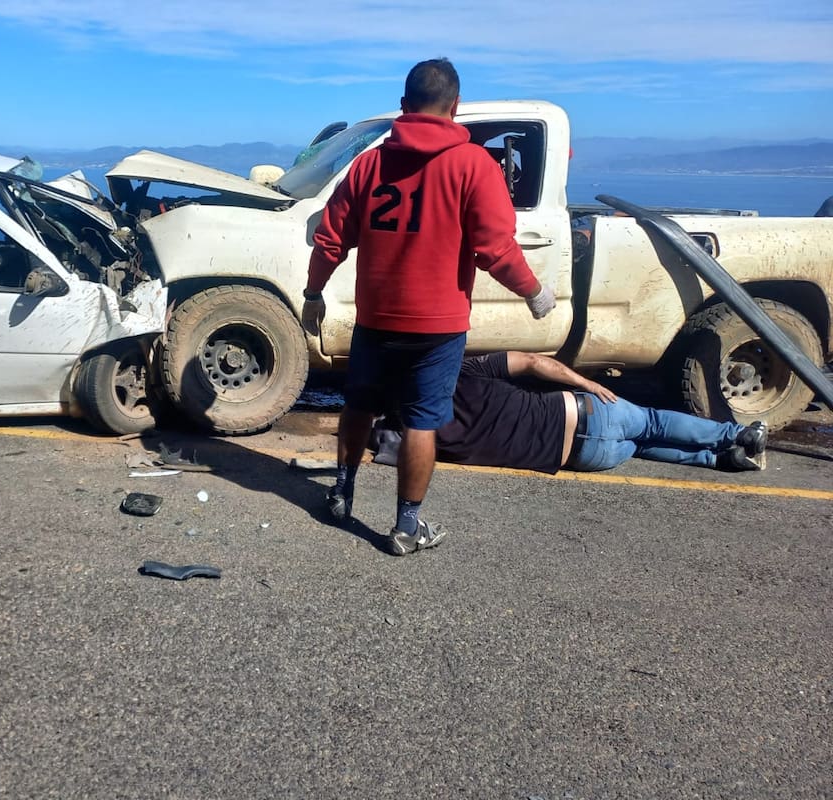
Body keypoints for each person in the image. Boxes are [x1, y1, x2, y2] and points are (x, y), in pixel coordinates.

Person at [301, 58, 556, 556]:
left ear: (403, 106)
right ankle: (405, 527)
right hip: (437, 328)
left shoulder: (369, 165)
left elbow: (331, 240)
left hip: (375, 319)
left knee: (359, 406)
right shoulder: (474, 166)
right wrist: (532, 291)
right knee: (421, 422)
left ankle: (341, 492)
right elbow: (495, 250)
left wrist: (313, 294)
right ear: (455, 108)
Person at [426, 351, 768, 474]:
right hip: (588, 413)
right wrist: (587, 383)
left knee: (640, 446)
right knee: (650, 422)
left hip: (590, 458)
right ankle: (738, 436)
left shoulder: (425, 437)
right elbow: (534, 362)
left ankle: (721, 461)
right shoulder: (462, 373)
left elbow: (388, 447)